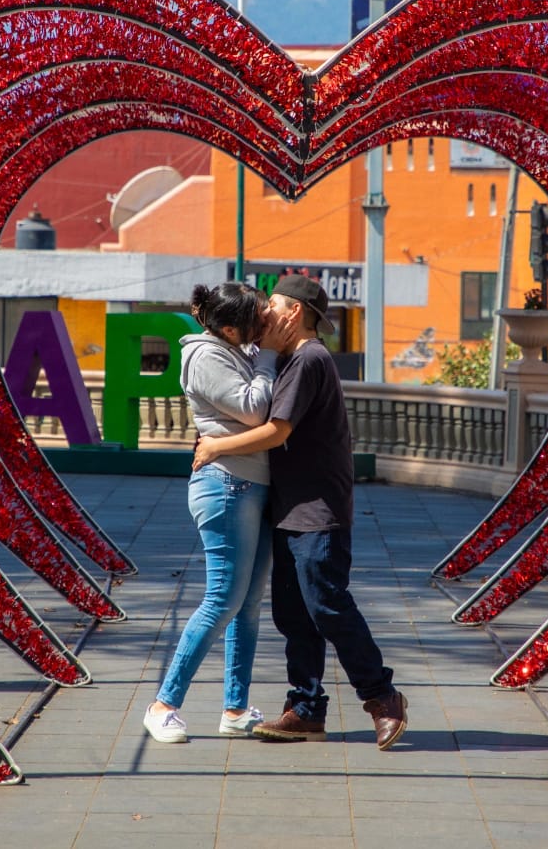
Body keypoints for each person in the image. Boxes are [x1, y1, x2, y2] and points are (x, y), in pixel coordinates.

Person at [193, 274, 408, 750]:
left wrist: (215, 448)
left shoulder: (309, 358)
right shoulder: (285, 359)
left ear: (292, 312)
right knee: (294, 616)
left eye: (269, 305)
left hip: (318, 509)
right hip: (290, 507)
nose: (261, 315)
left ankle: (382, 697)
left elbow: (276, 431)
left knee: (327, 605)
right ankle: (306, 709)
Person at [144, 282, 287, 744]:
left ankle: (235, 708)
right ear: (229, 326)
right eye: (255, 317)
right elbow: (254, 408)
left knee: (247, 606)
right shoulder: (206, 356)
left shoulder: (234, 349)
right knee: (222, 600)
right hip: (227, 486)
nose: (263, 323)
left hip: (252, 486)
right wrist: (266, 354)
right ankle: (163, 705)